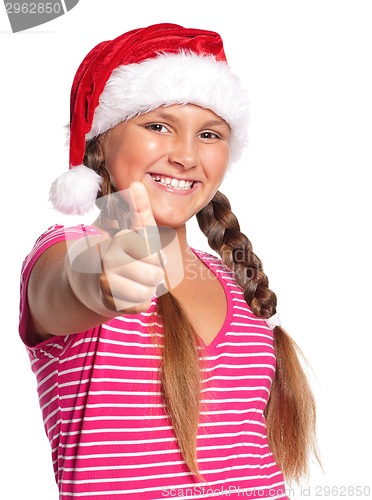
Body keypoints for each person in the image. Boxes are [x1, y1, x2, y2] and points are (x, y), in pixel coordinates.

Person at [19, 23, 318, 499]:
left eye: (209, 134)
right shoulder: (68, 250)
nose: (185, 155)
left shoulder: (234, 275)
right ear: (101, 143)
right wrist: (105, 281)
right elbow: (64, 286)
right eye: (157, 126)